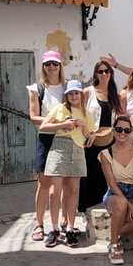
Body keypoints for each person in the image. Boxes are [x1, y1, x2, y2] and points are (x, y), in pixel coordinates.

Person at [39, 80, 96, 248]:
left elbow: (88, 135)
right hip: (59, 148)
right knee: (53, 192)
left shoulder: (87, 113)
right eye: (70, 93)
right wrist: (64, 124)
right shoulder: (60, 108)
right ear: (67, 95)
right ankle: (55, 229)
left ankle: (70, 228)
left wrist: (86, 129)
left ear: (81, 94)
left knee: (73, 191)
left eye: (76, 93)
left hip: (77, 150)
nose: (73, 96)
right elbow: (43, 126)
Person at [27, 50, 65, 242]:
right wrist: (58, 122)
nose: (51, 67)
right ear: (43, 66)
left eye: (55, 64)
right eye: (48, 64)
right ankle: (39, 224)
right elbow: (34, 117)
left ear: (60, 66)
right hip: (46, 138)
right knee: (43, 184)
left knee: (63, 186)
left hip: (66, 139)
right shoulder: (36, 88)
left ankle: (60, 224)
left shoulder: (67, 88)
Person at [100, 116, 133, 264]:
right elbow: (112, 183)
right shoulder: (105, 154)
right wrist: (128, 205)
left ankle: (114, 235)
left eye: (126, 130)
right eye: (119, 129)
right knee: (121, 204)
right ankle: (114, 246)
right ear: (114, 131)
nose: (122, 133)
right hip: (115, 192)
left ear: (131, 132)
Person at [79, 60, 122, 212]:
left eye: (107, 71)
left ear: (111, 73)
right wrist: (87, 133)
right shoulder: (87, 92)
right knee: (89, 176)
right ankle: (86, 212)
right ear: (96, 74)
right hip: (91, 142)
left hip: (109, 142)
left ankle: (104, 212)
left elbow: (120, 119)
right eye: (101, 71)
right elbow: (80, 115)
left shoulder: (115, 95)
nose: (104, 74)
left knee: (106, 177)